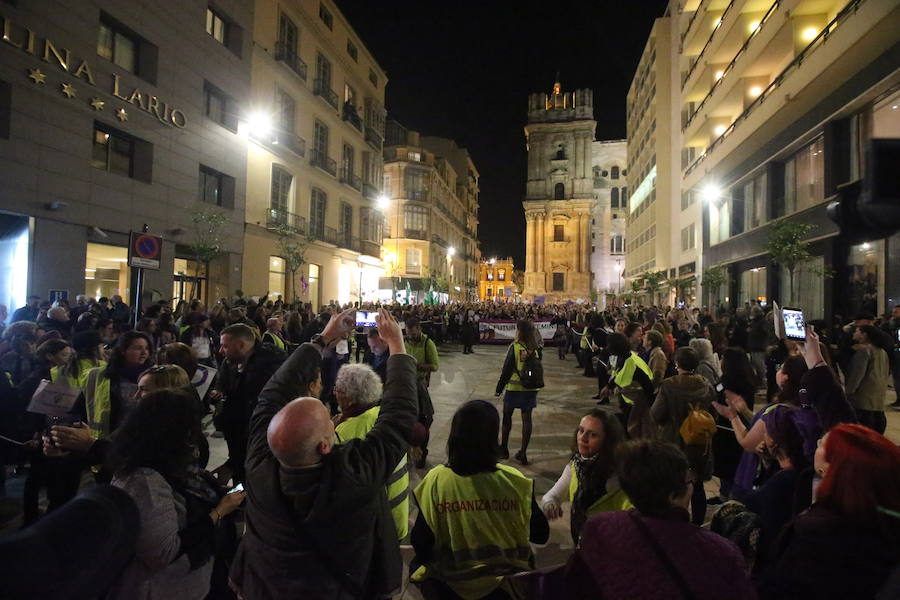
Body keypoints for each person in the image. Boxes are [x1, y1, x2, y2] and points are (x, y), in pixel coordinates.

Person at [229, 308, 417, 599]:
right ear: (325, 445)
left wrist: (323, 338)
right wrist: (398, 346)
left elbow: (273, 393)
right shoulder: (353, 476)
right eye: (329, 423)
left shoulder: (258, 465)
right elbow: (399, 417)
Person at [563, 439, 755, 600]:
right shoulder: (720, 552)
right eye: (688, 479)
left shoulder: (599, 527)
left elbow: (577, 583)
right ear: (672, 495)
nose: (692, 484)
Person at [105, 390, 245, 600]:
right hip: (162, 589)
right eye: (188, 429)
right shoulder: (143, 480)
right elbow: (162, 553)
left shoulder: (172, 464)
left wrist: (216, 492)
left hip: (194, 580)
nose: (194, 438)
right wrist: (219, 511)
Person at [411, 400, 549, 599]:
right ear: (493, 439)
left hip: (452, 585)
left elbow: (421, 543)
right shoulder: (515, 481)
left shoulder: (436, 481)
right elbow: (540, 534)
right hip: (505, 585)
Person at [761, 424, 900, 599]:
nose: (817, 443)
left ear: (833, 469)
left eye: (822, 445)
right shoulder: (886, 521)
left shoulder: (814, 534)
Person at [334, 363, 410, 541]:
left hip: (377, 527)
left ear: (349, 397)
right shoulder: (382, 416)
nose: (334, 392)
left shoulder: (344, 432)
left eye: (337, 389)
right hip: (398, 516)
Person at [541, 409, 631, 544]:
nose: (583, 438)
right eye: (581, 430)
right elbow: (550, 496)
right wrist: (550, 505)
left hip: (609, 546)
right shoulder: (575, 466)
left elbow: (632, 521)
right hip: (581, 540)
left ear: (608, 441)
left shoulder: (620, 476)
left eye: (593, 435)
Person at [650, 347, 718, 524]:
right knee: (697, 486)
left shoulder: (669, 385)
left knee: (671, 485)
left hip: (673, 441)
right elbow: (713, 414)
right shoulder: (706, 384)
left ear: (677, 363)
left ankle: (672, 523)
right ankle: (697, 524)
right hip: (699, 442)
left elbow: (656, 414)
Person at [210, 323, 283, 485]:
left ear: (241, 345)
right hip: (237, 437)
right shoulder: (230, 361)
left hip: (258, 441)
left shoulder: (268, 366)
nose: (220, 350)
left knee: (254, 483)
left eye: (225, 346)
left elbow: (257, 411)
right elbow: (224, 384)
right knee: (240, 480)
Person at [495, 319, 542, 465]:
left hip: (514, 388)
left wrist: (499, 388)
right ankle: (523, 452)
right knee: (527, 419)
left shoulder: (515, 347)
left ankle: (504, 449)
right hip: (530, 389)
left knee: (507, 418)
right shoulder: (536, 348)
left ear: (520, 332)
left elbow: (506, 370)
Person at [599, 333, 655, 439]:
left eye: (609, 345)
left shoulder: (631, 363)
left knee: (634, 429)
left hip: (640, 398)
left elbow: (646, 385)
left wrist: (650, 404)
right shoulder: (624, 356)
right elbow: (619, 373)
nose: (607, 347)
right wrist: (609, 386)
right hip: (632, 398)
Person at [844, 324, 891, 434]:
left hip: (863, 398)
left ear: (864, 335)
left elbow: (857, 375)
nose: (854, 333)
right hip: (878, 397)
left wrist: (849, 392)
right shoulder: (882, 351)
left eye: (857, 331)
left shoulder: (864, 351)